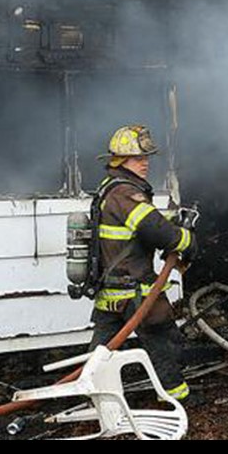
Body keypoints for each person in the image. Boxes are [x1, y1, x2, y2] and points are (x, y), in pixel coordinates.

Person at [87, 125, 197, 404]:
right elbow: (155, 230)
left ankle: (95, 396)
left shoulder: (110, 189)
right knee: (164, 342)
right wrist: (186, 240)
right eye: (138, 158)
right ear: (120, 161)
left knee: (102, 351)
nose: (145, 163)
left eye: (146, 158)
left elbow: (143, 229)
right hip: (135, 290)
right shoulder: (125, 192)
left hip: (111, 290)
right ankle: (176, 400)